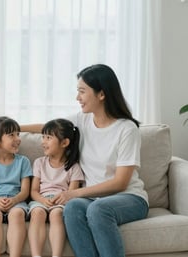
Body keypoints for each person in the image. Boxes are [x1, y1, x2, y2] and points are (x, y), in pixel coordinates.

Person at [22, 64, 149, 257]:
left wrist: (75, 193)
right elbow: (48, 127)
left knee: (97, 209)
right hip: (93, 199)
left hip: (129, 198)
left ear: (101, 94)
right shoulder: (82, 120)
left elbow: (120, 182)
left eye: (82, 91)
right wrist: (9, 127)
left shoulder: (127, 129)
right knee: (72, 208)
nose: (77, 98)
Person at [28, 118, 84, 257]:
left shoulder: (74, 167)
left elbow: (72, 193)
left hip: (61, 202)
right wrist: (42, 200)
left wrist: (59, 201)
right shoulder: (39, 162)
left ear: (64, 143)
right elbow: (34, 191)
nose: (43, 142)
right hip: (41, 200)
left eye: (48, 138)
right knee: (37, 213)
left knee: (56, 214)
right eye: (43, 137)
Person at [0, 116, 32, 257]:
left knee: (17, 214)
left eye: (18, 134)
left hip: (17, 201)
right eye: (11, 135)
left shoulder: (23, 162)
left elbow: (25, 191)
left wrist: (14, 201)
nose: (17, 139)